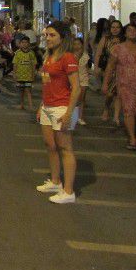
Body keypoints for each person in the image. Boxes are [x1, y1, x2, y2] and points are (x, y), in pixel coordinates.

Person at [36, 21, 80, 204]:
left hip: (62, 107)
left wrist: (69, 112)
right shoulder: (48, 56)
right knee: (50, 145)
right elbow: (47, 84)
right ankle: (55, 181)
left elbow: (76, 88)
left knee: (65, 148)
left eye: (52, 35)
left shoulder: (68, 57)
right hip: (47, 107)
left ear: (62, 38)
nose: (48, 38)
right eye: (46, 35)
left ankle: (68, 191)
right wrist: (41, 105)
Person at [94, 20, 124, 125]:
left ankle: (116, 116)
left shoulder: (124, 40)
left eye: (117, 27)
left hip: (121, 69)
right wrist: (96, 67)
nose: (115, 29)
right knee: (110, 93)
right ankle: (106, 108)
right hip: (108, 69)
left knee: (118, 93)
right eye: (113, 27)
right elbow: (98, 54)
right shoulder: (105, 39)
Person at [13, 37, 37, 110]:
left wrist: (33, 73)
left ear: (29, 44)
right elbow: (15, 64)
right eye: (22, 42)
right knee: (21, 91)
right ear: (20, 44)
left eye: (26, 42)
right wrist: (14, 73)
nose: (24, 44)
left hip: (28, 76)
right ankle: (22, 105)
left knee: (28, 90)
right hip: (20, 76)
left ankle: (31, 105)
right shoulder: (17, 53)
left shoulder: (31, 53)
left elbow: (34, 64)